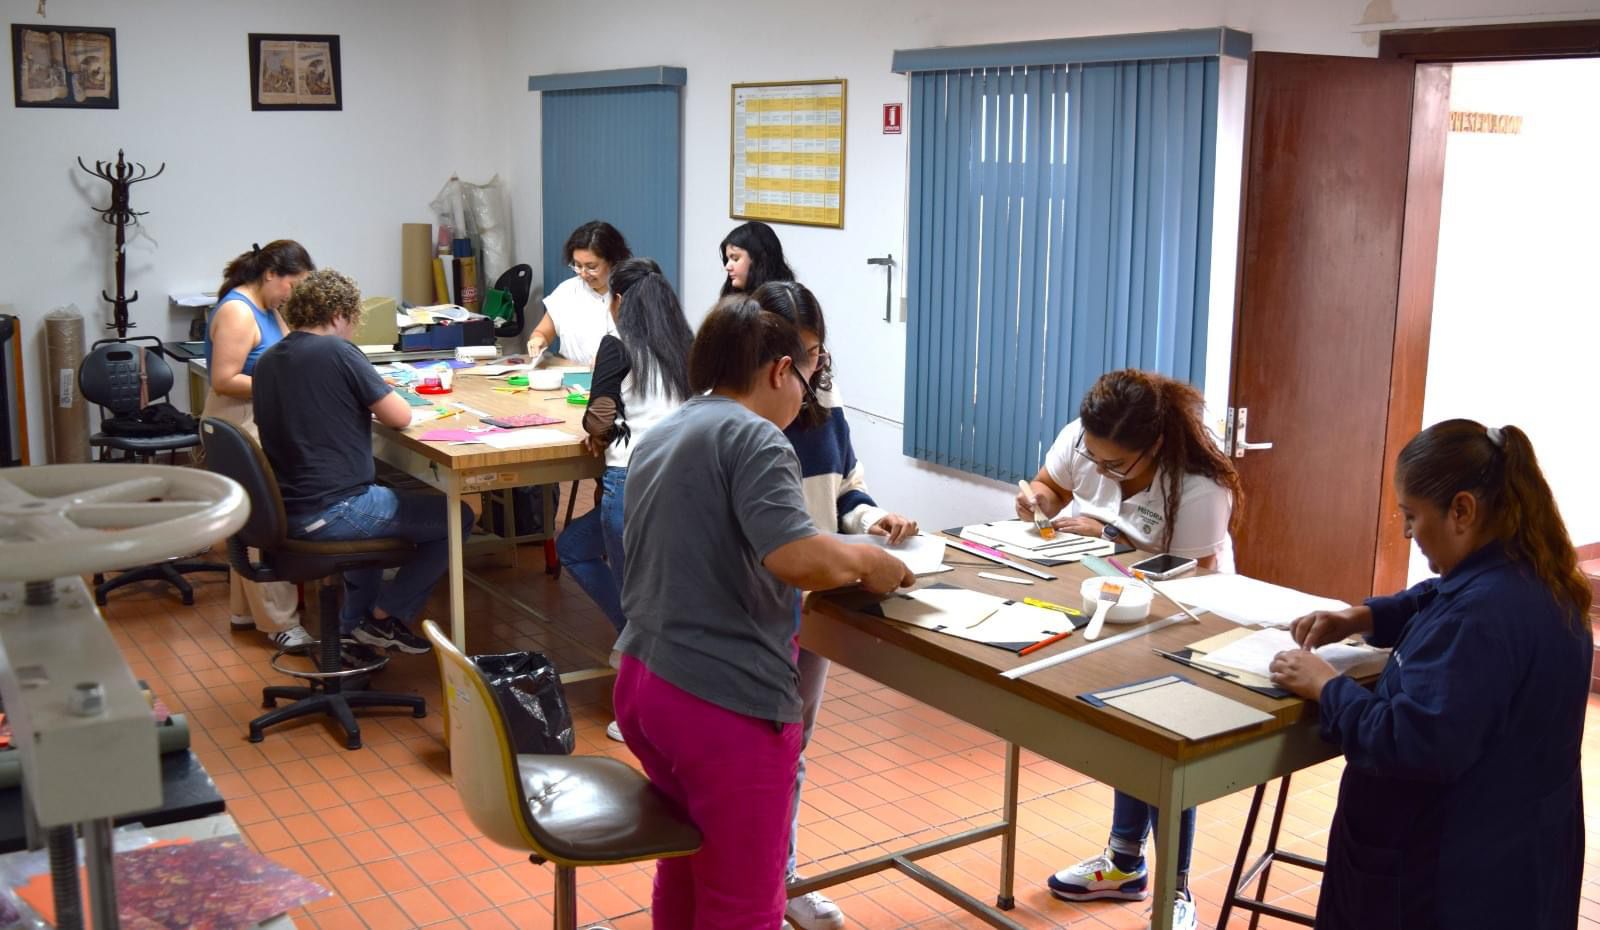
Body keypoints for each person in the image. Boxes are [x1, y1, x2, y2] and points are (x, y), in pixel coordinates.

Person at [612, 296, 914, 930]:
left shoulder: (666, 431)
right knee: (744, 903)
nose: (805, 401)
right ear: (781, 371)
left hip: (646, 684)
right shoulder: (755, 437)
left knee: (687, 863)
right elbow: (796, 557)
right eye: (805, 381)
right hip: (721, 705)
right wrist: (869, 563)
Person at [1269, 420, 1589, 930]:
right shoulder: (1537, 574)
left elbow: (1411, 742)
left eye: (1411, 516)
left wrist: (1327, 687)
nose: (1408, 534)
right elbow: (1435, 595)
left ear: (1462, 510)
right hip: (1521, 856)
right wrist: (1365, 616)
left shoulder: (1479, 619)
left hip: (1445, 876)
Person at [1021, 369, 1241, 930]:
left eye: (1115, 466)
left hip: (1185, 615)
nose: (1099, 470)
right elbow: (1050, 482)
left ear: (1156, 446)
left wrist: (1105, 535)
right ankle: (1123, 863)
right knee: (1126, 730)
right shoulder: (1087, 439)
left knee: (1167, 743)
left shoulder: (1198, 486)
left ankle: (1177, 890)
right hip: (1112, 605)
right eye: (1092, 458)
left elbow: (1190, 571)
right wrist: (1038, 501)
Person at [751, 280, 917, 930]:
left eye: (816, 355)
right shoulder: (739, 425)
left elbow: (846, 485)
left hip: (811, 606)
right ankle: (753, 885)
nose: (806, 370)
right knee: (756, 755)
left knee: (791, 749)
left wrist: (872, 521)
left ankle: (781, 879)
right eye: (795, 357)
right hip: (756, 611)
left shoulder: (822, 399)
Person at [253, 269, 473, 658]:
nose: (353, 330)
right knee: (460, 515)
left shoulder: (270, 359)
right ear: (339, 315)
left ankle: (356, 624)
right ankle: (382, 615)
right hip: (336, 510)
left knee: (386, 500)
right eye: (353, 322)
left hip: (286, 510)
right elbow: (400, 417)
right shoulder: (338, 352)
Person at [557, 258, 694, 741]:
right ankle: (644, 643)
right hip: (679, 483)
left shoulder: (617, 346)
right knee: (638, 583)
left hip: (630, 482)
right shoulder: (686, 347)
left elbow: (598, 416)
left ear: (621, 302)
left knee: (625, 590)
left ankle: (643, 708)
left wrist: (598, 432)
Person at [202, 240, 316, 651]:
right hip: (238, 420)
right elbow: (223, 378)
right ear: (271, 275)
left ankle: (246, 611)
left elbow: (289, 355)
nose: (294, 294)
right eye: (293, 284)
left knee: (246, 518)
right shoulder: (237, 311)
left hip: (258, 417)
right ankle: (280, 621)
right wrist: (278, 388)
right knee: (263, 518)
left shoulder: (270, 310)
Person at [525, 220, 630, 365]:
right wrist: (538, 340)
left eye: (591, 266)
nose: (583, 273)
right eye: (577, 265)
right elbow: (542, 332)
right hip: (572, 377)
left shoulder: (633, 294)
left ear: (613, 261)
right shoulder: (567, 291)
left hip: (618, 382)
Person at [719, 221, 795, 298]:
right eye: (728, 260)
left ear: (758, 259)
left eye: (735, 259)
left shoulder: (785, 302)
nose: (727, 267)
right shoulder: (731, 301)